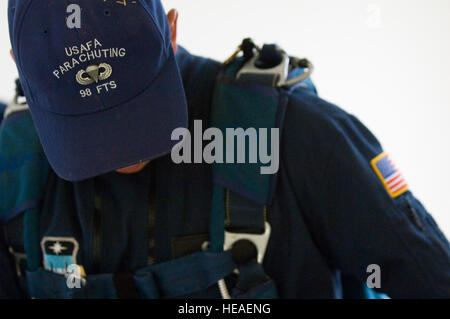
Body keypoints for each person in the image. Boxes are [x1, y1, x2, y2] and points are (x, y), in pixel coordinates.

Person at [1, 0, 449, 299]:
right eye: (86, 124)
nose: (121, 151)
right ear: (17, 62)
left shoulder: (296, 136)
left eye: (137, 108)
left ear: (171, 30)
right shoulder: (10, 170)